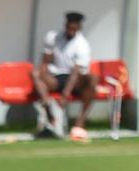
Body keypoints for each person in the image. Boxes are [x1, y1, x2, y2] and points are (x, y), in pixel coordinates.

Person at [33, 10, 95, 140]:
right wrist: (41, 73)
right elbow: (45, 61)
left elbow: (75, 72)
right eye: (69, 27)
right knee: (35, 73)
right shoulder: (53, 37)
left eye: (74, 28)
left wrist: (66, 94)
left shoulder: (82, 45)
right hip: (55, 77)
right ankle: (49, 110)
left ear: (79, 27)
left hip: (74, 80)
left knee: (92, 80)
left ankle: (79, 123)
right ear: (65, 25)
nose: (71, 30)